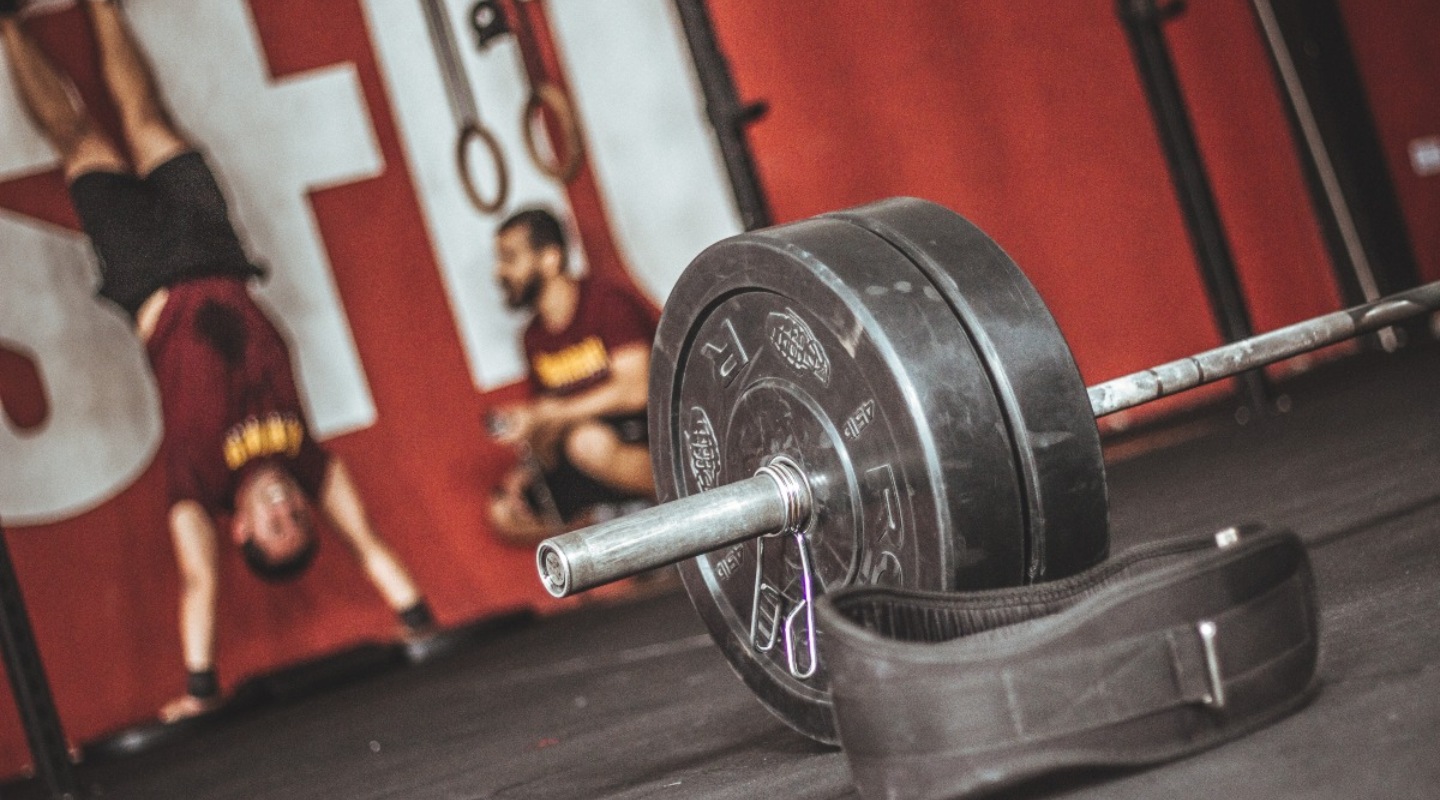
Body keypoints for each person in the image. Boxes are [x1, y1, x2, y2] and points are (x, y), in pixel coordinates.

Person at [1, 0, 437, 722]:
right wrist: (418, 619)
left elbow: (198, 583)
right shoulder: (307, 465)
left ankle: (11, 25)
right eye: (299, 517)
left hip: (151, 277)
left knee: (77, 140)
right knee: (149, 118)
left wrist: (200, 692)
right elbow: (368, 544)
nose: (285, 506)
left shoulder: (198, 493)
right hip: (215, 252)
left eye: (275, 525)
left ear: (240, 531)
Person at [486, 208, 658, 543]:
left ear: (550, 258)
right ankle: (608, 526)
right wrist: (529, 449)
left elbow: (637, 389)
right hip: (587, 456)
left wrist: (554, 413)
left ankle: (684, 505)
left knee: (586, 442)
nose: (499, 272)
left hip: (647, 437)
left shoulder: (606, 303)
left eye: (509, 258)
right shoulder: (533, 338)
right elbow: (548, 431)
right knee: (503, 512)